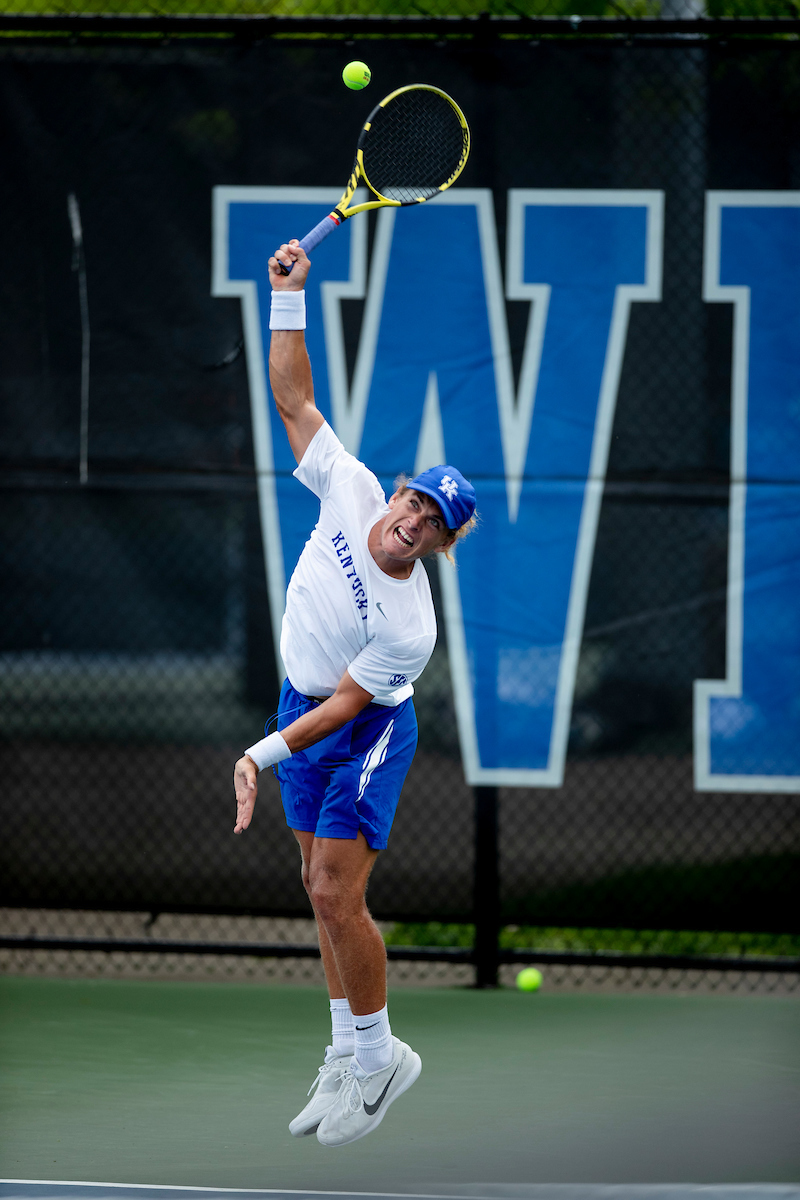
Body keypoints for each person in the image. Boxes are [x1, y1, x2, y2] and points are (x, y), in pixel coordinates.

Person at [232, 238, 476, 1149]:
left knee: (338, 892)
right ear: (402, 490)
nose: (410, 520)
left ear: (438, 546)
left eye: (430, 524)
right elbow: (293, 399)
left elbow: (346, 710)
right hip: (303, 707)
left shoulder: (412, 625)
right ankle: (346, 1050)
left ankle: (381, 1058)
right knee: (314, 884)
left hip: (364, 728)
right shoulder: (353, 486)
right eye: (415, 501)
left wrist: (259, 752)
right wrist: (288, 299)